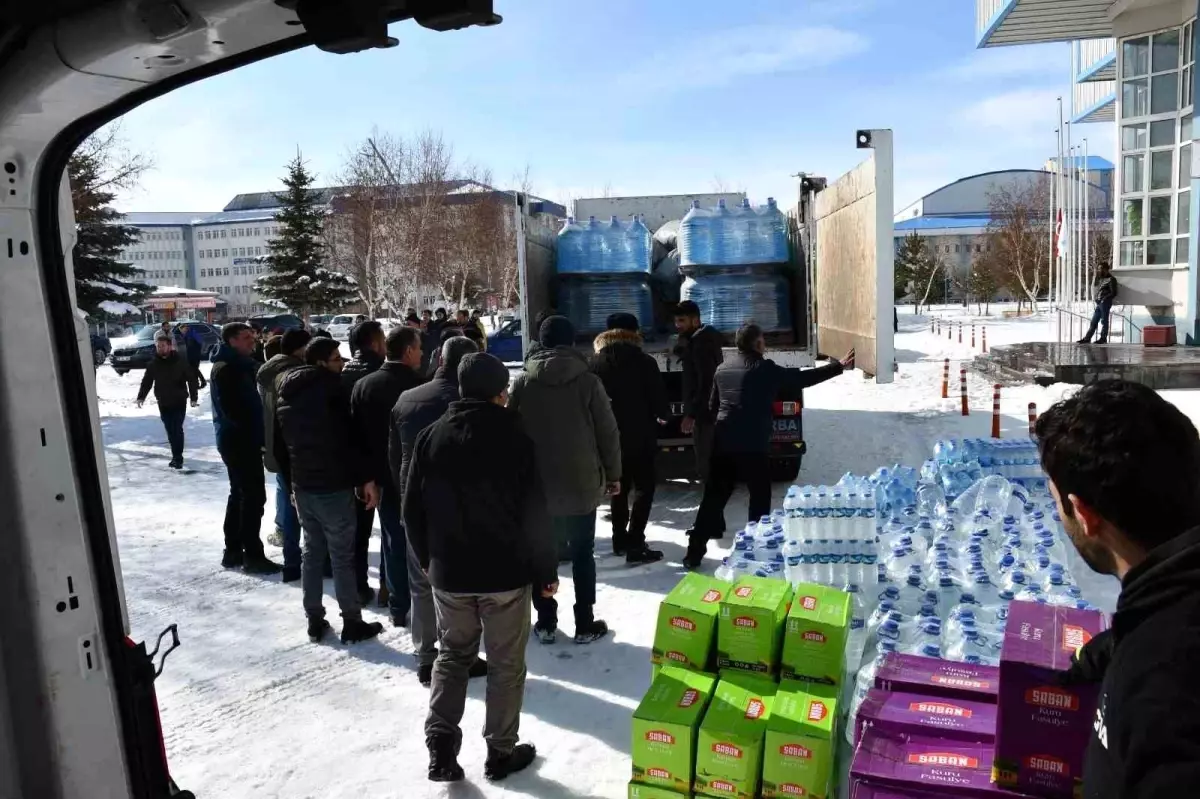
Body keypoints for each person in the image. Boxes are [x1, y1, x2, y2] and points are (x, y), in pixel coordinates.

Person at [1035, 380, 1200, 798]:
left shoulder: (1160, 696)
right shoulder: (1169, 604)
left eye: (1059, 505)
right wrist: (1121, 640)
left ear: (1086, 515)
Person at [403, 352, 556, 784]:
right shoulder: (516, 438)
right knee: (506, 665)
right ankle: (500, 752)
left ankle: (441, 749)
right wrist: (546, 572)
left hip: (450, 573)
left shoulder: (431, 437)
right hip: (505, 575)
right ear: (498, 392)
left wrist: (429, 562)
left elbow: (411, 510)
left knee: (451, 658)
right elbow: (536, 514)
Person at [684, 324, 853, 569]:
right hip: (753, 444)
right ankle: (754, 550)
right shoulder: (766, 369)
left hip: (723, 443)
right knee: (760, 498)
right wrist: (838, 367)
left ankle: (693, 554)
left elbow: (713, 407)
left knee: (713, 499)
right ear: (758, 344)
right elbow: (801, 379)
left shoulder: (722, 368)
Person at [509, 315, 620, 645]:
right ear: (572, 342)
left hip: (537, 488)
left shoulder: (523, 382)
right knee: (583, 553)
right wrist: (614, 474)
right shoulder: (588, 382)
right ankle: (584, 623)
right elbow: (607, 432)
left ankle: (545, 621)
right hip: (581, 484)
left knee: (543, 554)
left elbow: (511, 433)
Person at [390, 336, 487, 686]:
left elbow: (395, 457)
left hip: (415, 504)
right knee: (465, 588)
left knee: (421, 584)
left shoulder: (408, 399)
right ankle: (463, 655)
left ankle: (426, 656)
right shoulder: (472, 402)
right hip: (462, 511)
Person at [275, 337, 384, 645]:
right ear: (321, 362)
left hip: (303, 485)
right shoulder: (334, 392)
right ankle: (351, 620)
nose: (343, 362)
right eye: (337, 358)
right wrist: (366, 480)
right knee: (341, 555)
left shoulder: (286, 393)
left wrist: (291, 484)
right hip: (332, 487)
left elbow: (279, 445)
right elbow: (352, 442)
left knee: (312, 552)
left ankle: (314, 618)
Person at [351, 326, 424, 628]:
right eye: (419, 348)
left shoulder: (363, 386)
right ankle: (420, 605)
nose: (422, 353)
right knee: (419, 544)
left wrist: (366, 479)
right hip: (413, 477)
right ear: (408, 351)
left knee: (393, 542)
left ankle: (397, 605)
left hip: (381, 479)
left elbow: (355, 439)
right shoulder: (420, 387)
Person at [590, 312, 668, 564]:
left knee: (617, 487)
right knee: (644, 488)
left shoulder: (594, 364)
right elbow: (659, 404)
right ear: (634, 333)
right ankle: (635, 541)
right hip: (641, 436)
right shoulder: (644, 362)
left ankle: (618, 539)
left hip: (608, 440)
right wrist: (664, 415)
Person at [210, 323, 282, 574]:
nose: (253, 341)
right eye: (245, 338)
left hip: (238, 439)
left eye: (253, 336)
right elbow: (235, 411)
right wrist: (257, 436)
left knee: (240, 495)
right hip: (238, 441)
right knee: (252, 497)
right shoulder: (226, 369)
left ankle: (233, 550)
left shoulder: (240, 366)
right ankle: (252, 554)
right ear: (231, 341)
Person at [258, 328, 312, 583]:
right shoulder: (292, 374)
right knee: (303, 507)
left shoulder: (269, 372)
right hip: (295, 450)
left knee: (290, 505)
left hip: (277, 449)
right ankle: (304, 561)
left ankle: (292, 560)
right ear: (299, 349)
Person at [341, 320, 387, 605]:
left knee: (358, 532)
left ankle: (359, 585)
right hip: (381, 464)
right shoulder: (380, 374)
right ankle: (387, 586)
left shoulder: (342, 374)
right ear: (374, 343)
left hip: (353, 467)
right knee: (391, 532)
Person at [673, 300, 725, 483]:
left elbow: (706, 382)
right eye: (676, 321)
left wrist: (692, 414)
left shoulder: (701, 344)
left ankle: (713, 495)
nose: (678, 325)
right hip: (706, 412)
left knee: (706, 458)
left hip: (705, 413)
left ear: (695, 321)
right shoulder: (700, 339)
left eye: (682, 321)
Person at [136, 330, 198, 469]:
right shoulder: (153, 364)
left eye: (163, 346)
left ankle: (178, 457)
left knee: (176, 428)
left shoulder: (180, 361)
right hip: (163, 402)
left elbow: (192, 380)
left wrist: (194, 398)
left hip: (178, 400)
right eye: (158, 346)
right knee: (170, 430)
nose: (160, 348)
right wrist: (141, 397)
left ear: (169, 346)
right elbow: (147, 381)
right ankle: (175, 456)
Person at [1078, 266, 1119, 345]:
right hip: (1099, 303)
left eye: (1101, 269)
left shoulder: (1111, 279)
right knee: (1094, 321)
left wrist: (1104, 299)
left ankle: (1103, 338)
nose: (1099, 270)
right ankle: (1087, 338)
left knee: (1104, 321)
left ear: (1106, 269)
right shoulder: (1102, 279)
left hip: (1105, 303)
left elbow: (1114, 292)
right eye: (1099, 269)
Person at [177, 322, 207, 389]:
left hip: (195, 354)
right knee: (194, 369)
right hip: (190, 354)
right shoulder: (185, 335)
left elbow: (200, 341)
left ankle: (201, 382)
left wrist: (198, 350)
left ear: (186, 328)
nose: (182, 332)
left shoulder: (192, 333)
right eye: (181, 331)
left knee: (195, 369)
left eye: (183, 330)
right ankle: (199, 383)